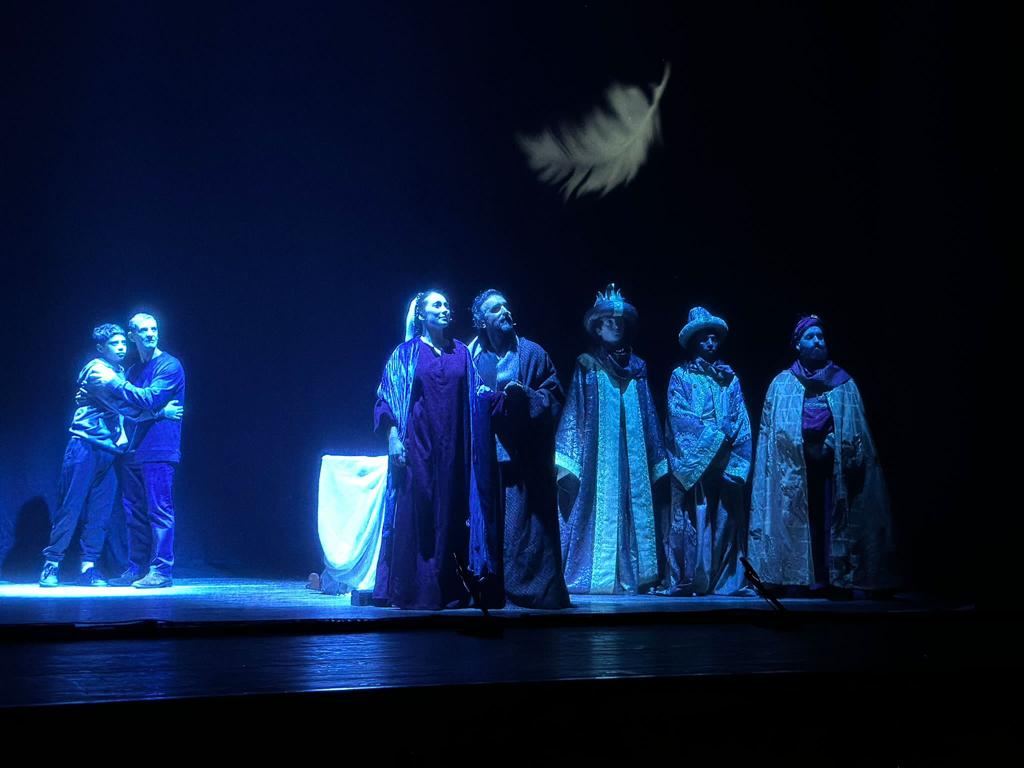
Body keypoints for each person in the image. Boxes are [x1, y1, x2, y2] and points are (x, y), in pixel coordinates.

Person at [748, 315, 896, 595]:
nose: (817, 341)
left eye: (821, 336)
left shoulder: (844, 383)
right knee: (798, 519)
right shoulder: (782, 384)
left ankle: (837, 578)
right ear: (798, 344)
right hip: (794, 469)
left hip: (833, 467)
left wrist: (831, 443)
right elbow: (771, 432)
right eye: (810, 337)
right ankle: (797, 579)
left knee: (833, 520)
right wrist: (798, 445)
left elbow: (855, 427)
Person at [372, 290, 500, 609]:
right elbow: (386, 397)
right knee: (419, 509)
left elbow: (476, 394)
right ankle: (413, 589)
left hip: (455, 448)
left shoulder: (461, 353)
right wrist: (393, 438)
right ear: (421, 315)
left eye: (446, 304)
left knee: (452, 513)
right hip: (418, 446)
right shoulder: (406, 353)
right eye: (437, 305)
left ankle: (448, 587)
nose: (445, 309)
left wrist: (502, 397)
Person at [39, 323, 182, 587]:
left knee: (101, 512)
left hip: (110, 450)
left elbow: (125, 408)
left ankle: (88, 566)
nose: (120, 348)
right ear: (100, 348)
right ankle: (52, 563)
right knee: (71, 506)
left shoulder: (121, 371)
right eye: (114, 344)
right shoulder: (98, 371)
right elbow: (125, 405)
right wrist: (160, 412)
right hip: (85, 445)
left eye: (122, 343)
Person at [556, 284, 667, 594]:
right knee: (596, 506)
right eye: (608, 321)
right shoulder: (587, 365)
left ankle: (637, 574)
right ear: (597, 328)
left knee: (633, 505)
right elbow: (575, 411)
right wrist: (568, 458)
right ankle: (598, 574)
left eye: (619, 322)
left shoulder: (638, 368)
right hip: (598, 456)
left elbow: (648, 412)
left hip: (632, 454)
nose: (615, 326)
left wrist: (656, 455)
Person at [468, 289, 570, 609]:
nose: (505, 312)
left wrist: (524, 396)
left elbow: (554, 397)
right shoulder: (471, 356)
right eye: (495, 309)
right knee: (487, 524)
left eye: (506, 306)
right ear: (481, 321)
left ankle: (530, 590)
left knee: (525, 527)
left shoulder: (532, 353)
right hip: (485, 458)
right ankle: (489, 588)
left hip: (525, 459)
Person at [662, 307, 752, 596]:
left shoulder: (729, 379)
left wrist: (733, 449)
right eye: (704, 339)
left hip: (725, 457)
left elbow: (740, 417)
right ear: (694, 342)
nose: (711, 343)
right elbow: (679, 416)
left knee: (725, 516)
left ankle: (723, 578)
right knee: (696, 516)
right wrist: (713, 438)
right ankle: (694, 577)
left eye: (714, 338)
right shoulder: (681, 376)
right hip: (698, 459)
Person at [103, 313, 186, 589]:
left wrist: (118, 386)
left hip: (159, 448)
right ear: (132, 336)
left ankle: (161, 571)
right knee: (134, 512)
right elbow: (126, 407)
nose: (150, 333)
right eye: (144, 330)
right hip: (133, 451)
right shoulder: (133, 371)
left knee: (159, 510)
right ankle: (137, 568)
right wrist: (157, 411)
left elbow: (150, 398)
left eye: (154, 329)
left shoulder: (170, 365)